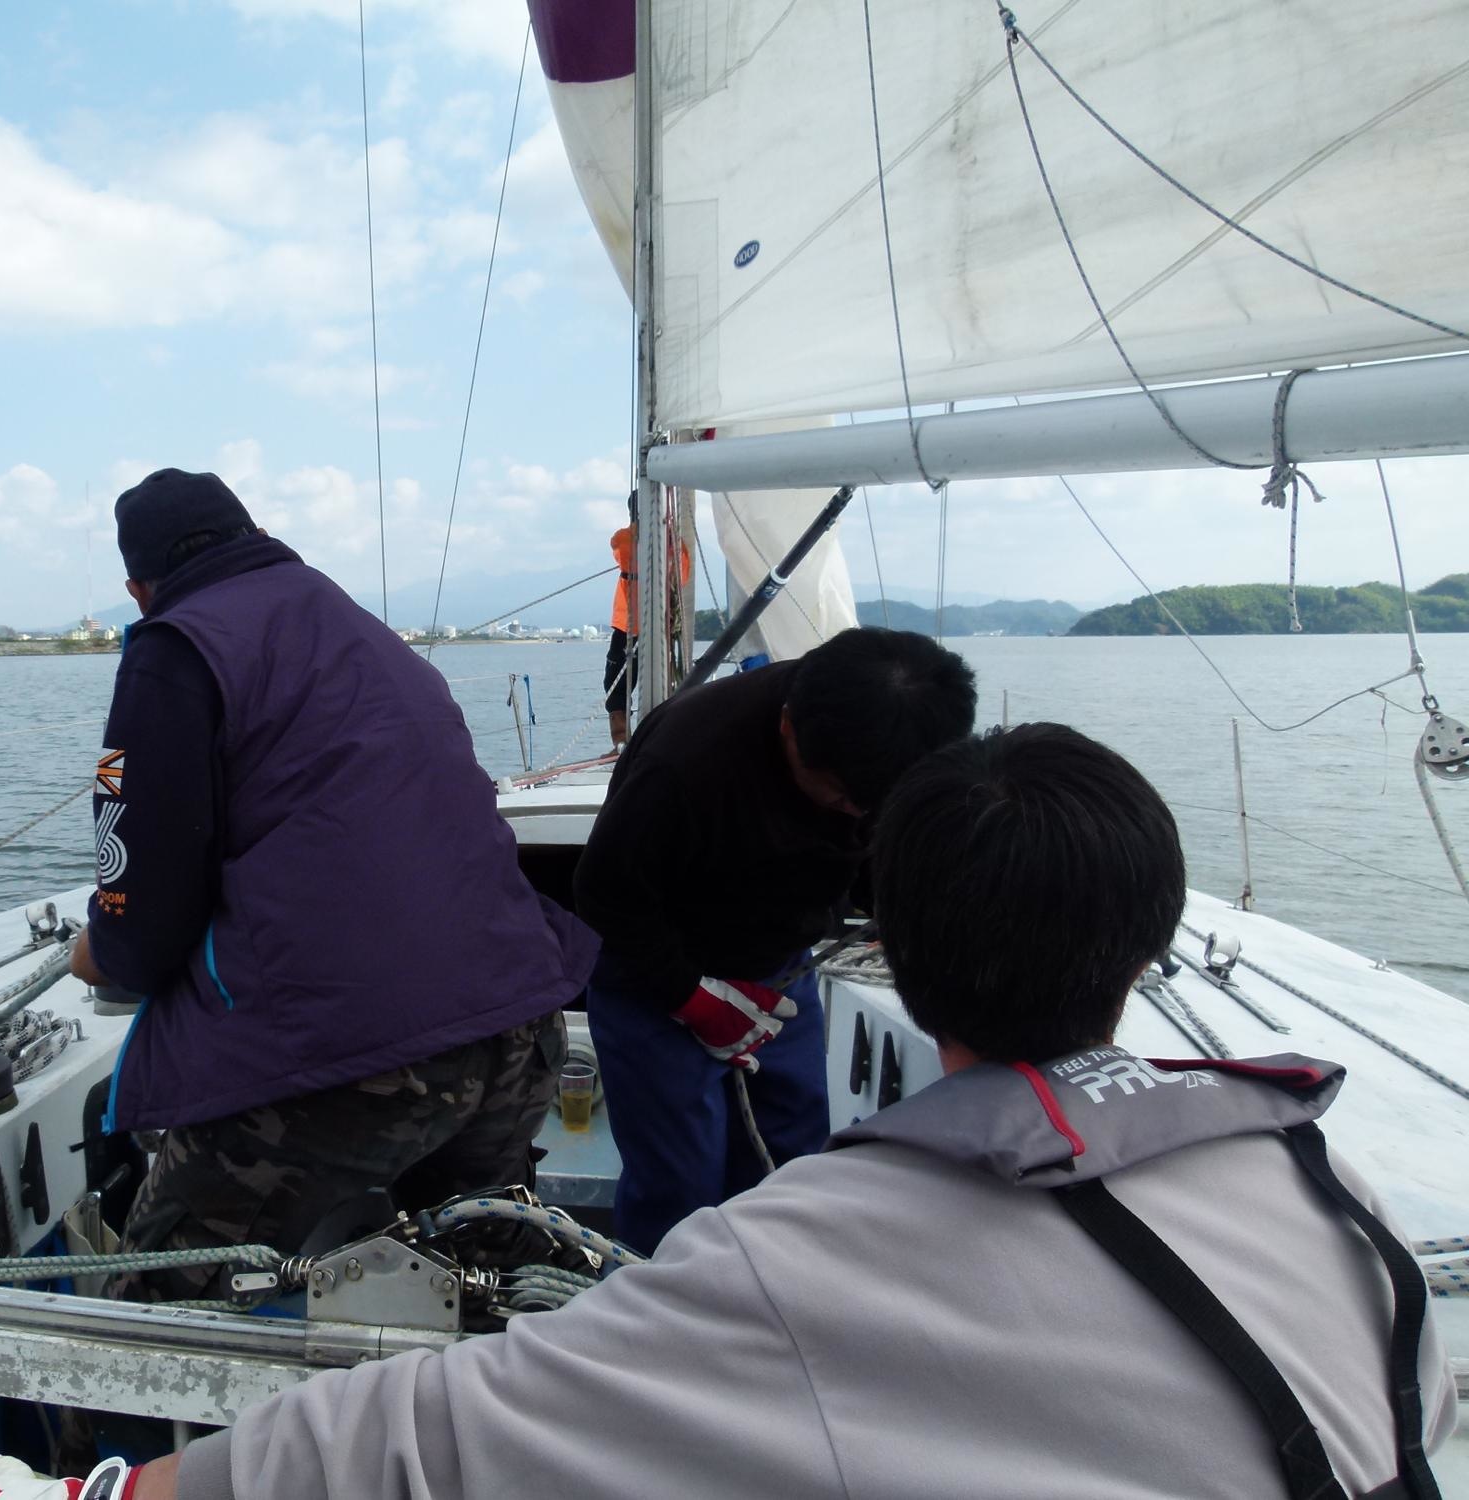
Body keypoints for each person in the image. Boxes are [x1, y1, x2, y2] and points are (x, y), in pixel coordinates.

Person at [108, 724, 1456, 1500]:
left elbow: (427, 1440)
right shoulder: (1325, 1187)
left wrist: (122, 1486)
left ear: (893, 950)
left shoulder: (797, 1258)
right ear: (1150, 940)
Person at [69, 468, 597, 1295]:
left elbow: (143, 908)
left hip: (357, 1061)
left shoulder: (175, 647)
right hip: (518, 1030)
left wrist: (104, 949)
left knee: (157, 1298)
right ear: (255, 537)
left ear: (139, 590)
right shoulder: (361, 627)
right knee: (487, 1293)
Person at [571, 625, 976, 1254]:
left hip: (781, 970)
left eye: (870, 804)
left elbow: (882, 857)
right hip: (653, 979)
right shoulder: (684, 761)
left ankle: (775, 1291)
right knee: (679, 1185)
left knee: (794, 1158)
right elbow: (603, 894)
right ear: (788, 727)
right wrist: (690, 998)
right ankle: (664, 1303)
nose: (852, 813)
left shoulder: (896, 753)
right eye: (839, 796)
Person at [602, 491, 689, 750]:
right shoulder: (675, 545)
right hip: (662, 627)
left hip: (629, 628)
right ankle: (660, 737)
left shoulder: (625, 539)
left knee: (615, 688)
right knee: (664, 681)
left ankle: (621, 743)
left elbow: (617, 546)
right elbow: (683, 575)